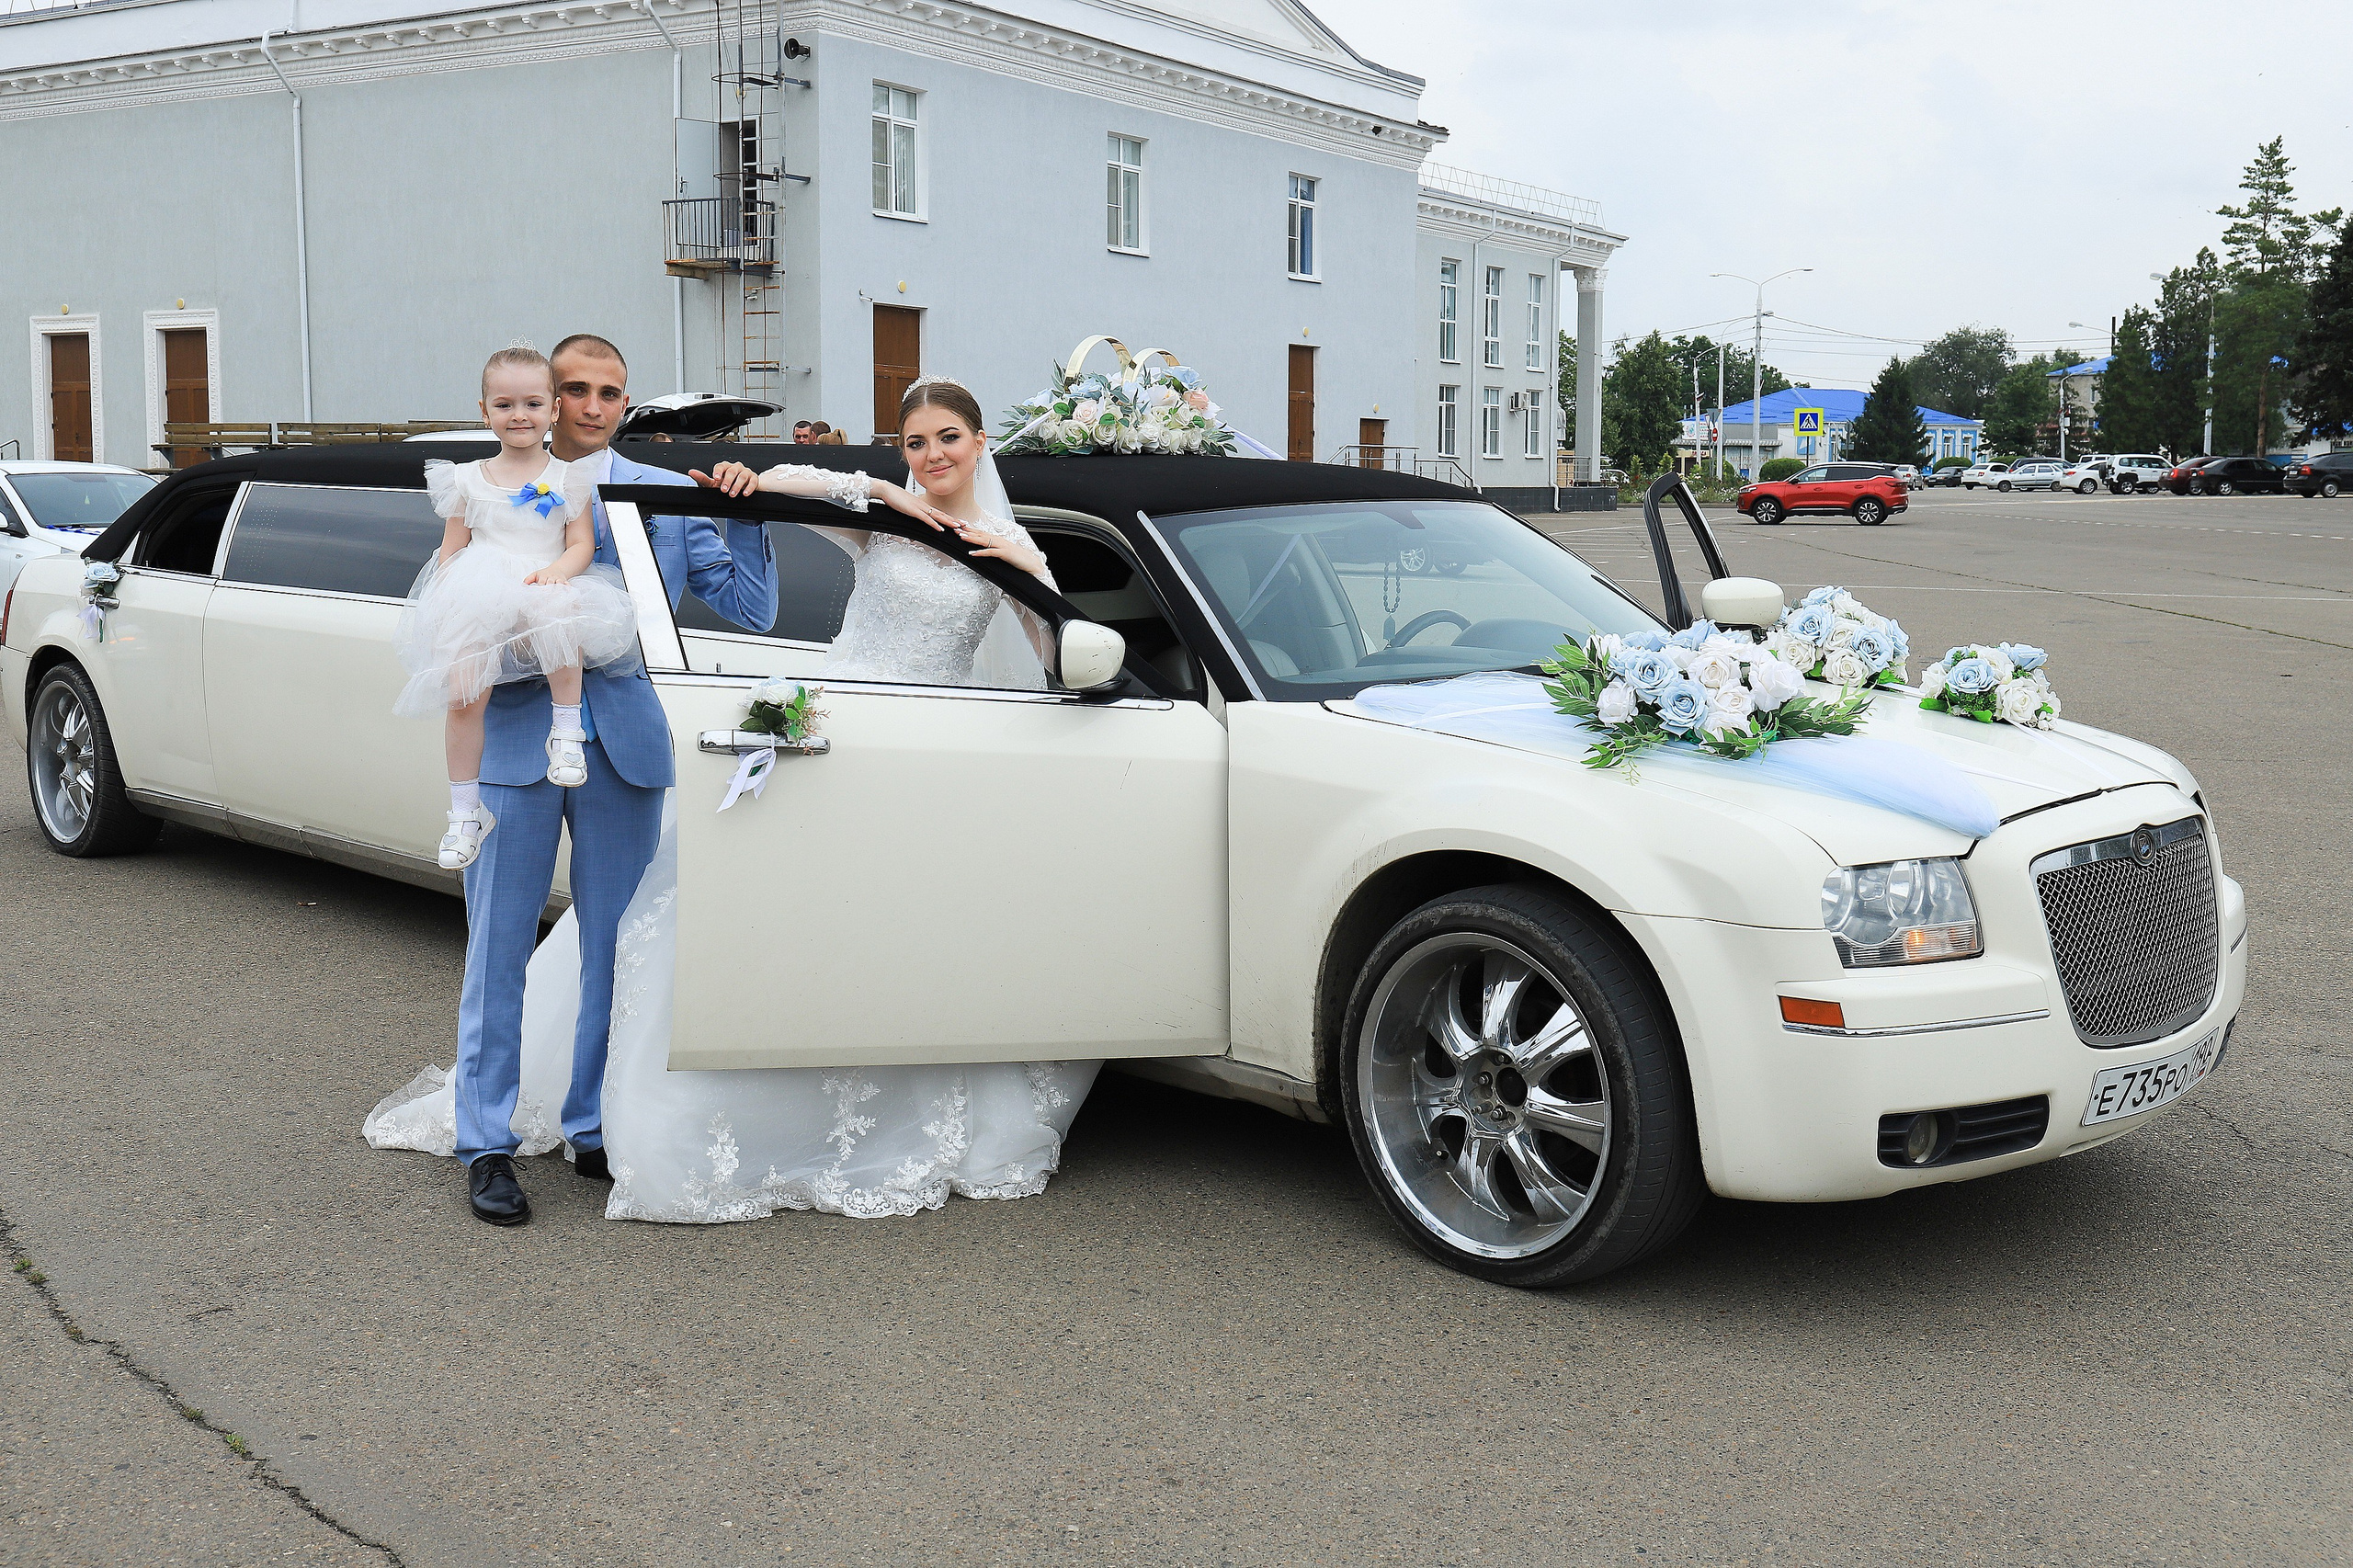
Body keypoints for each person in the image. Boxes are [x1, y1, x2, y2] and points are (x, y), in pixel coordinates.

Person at [368, 378, 1094, 1222]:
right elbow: (783, 488)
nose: (933, 456)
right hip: (834, 726)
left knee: (893, 923)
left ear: (980, 445)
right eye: (916, 442)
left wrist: (1018, 564)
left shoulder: (1005, 545)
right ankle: (576, 1114)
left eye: (949, 440)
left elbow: (1058, 650)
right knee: (733, 904)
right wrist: (889, 497)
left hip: (928, 744)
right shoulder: (886, 523)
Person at [392, 345, 637, 876]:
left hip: (542, 579)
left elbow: (580, 544)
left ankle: (565, 733)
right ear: (485, 411)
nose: (518, 416)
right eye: (504, 405)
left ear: (553, 410)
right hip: (480, 589)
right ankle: (464, 810)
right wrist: (441, 611)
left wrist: (560, 572)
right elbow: (452, 551)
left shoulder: (569, 476)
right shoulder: (464, 479)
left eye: (531, 403)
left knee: (557, 611)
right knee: (461, 691)